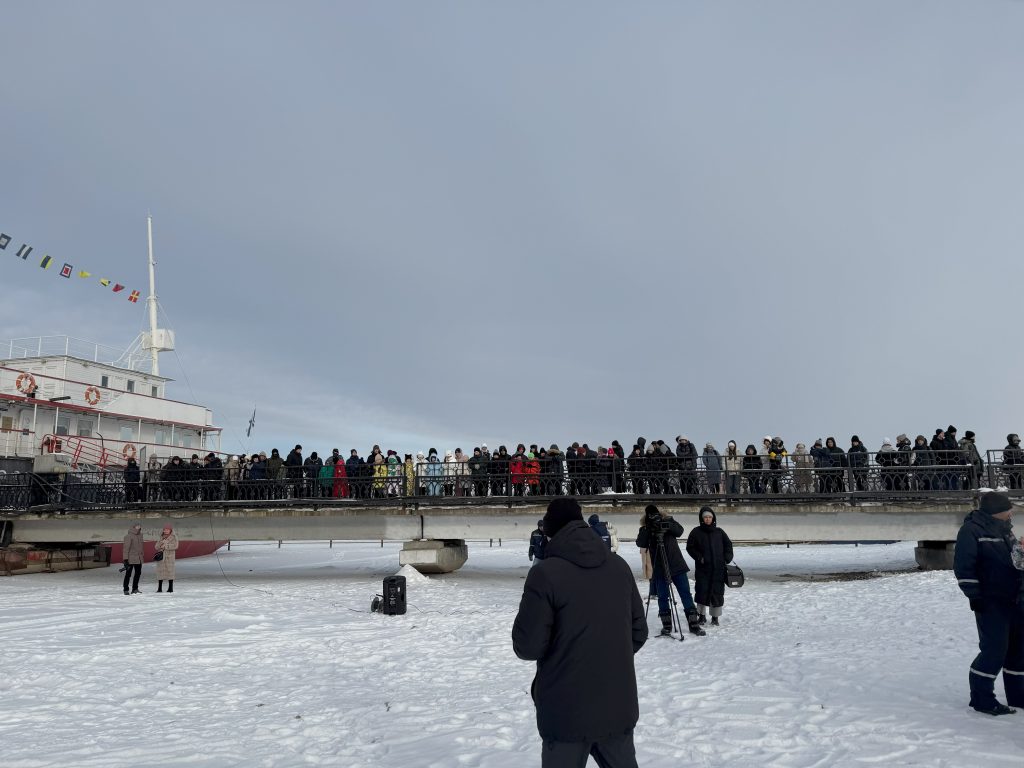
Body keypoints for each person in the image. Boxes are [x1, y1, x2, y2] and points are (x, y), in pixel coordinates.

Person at [513, 497, 647, 767]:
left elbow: (527, 646)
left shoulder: (545, 574)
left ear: (550, 530)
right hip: (616, 705)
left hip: (565, 712)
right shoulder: (619, 567)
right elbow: (638, 632)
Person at [953, 491, 1024, 715]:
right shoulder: (971, 531)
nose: (1011, 512)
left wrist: (1022, 553)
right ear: (996, 511)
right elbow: (964, 568)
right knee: (994, 650)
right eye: (1008, 509)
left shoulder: (1006, 528)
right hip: (990, 601)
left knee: (1018, 651)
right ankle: (982, 699)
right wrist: (975, 596)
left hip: (1016, 599)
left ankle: (1018, 697)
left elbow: (1014, 561)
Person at [635, 504, 706, 637]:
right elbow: (641, 543)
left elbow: (679, 531)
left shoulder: (668, 520)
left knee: (685, 594)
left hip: (676, 565)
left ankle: (693, 625)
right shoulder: (645, 528)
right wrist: (648, 528)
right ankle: (666, 626)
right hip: (659, 567)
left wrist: (664, 523)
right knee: (663, 597)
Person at [686, 506, 734, 626]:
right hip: (703, 569)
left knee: (717, 593)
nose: (708, 519)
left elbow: (728, 545)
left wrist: (726, 558)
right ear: (702, 519)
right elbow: (690, 547)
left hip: (718, 569)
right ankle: (701, 616)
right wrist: (700, 558)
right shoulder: (696, 532)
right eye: (705, 517)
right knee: (702, 591)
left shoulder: (719, 532)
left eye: (710, 517)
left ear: (713, 518)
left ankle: (715, 617)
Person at [155, 524, 178, 593]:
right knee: (160, 573)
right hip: (161, 557)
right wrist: (160, 544)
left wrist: (166, 546)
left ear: (170, 530)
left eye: (167, 530)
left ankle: (170, 588)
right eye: (164, 530)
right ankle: (159, 588)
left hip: (169, 557)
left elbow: (175, 546)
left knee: (170, 572)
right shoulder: (161, 537)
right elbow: (156, 547)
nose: (165, 531)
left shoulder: (174, 537)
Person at [122, 523, 144, 595]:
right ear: (133, 527)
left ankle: (135, 588)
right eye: (137, 526)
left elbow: (141, 547)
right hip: (130, 559)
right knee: (128, 574)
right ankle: (126, 589)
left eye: (139, 526)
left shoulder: (140, 535)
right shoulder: (128, 536)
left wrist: (142, 555)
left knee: (138, 574)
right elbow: (126, 549)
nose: (138, 528)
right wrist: (125, 559)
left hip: (138, 558)